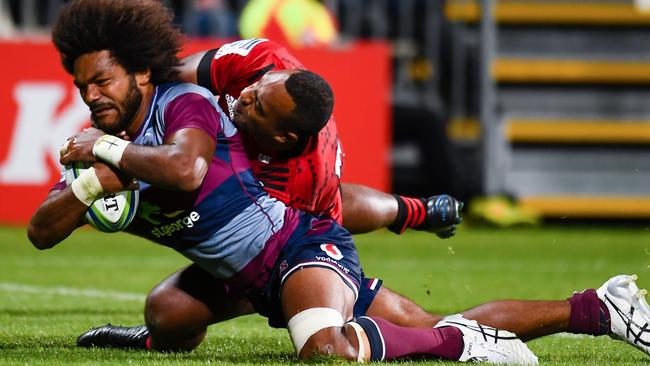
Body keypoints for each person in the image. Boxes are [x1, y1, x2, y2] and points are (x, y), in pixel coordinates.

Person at [30, 0, 539, 364]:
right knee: (166, 313)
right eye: (82, 87)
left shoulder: (187, 108)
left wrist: (109, 149)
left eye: (102, 81)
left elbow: (187, 169)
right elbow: (40, 232)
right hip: (244, 275)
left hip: (300, 246)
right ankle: (596, 310)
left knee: (326, 345)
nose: (91, 95)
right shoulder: (227, 75)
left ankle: (466, 340)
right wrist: (89, 186)